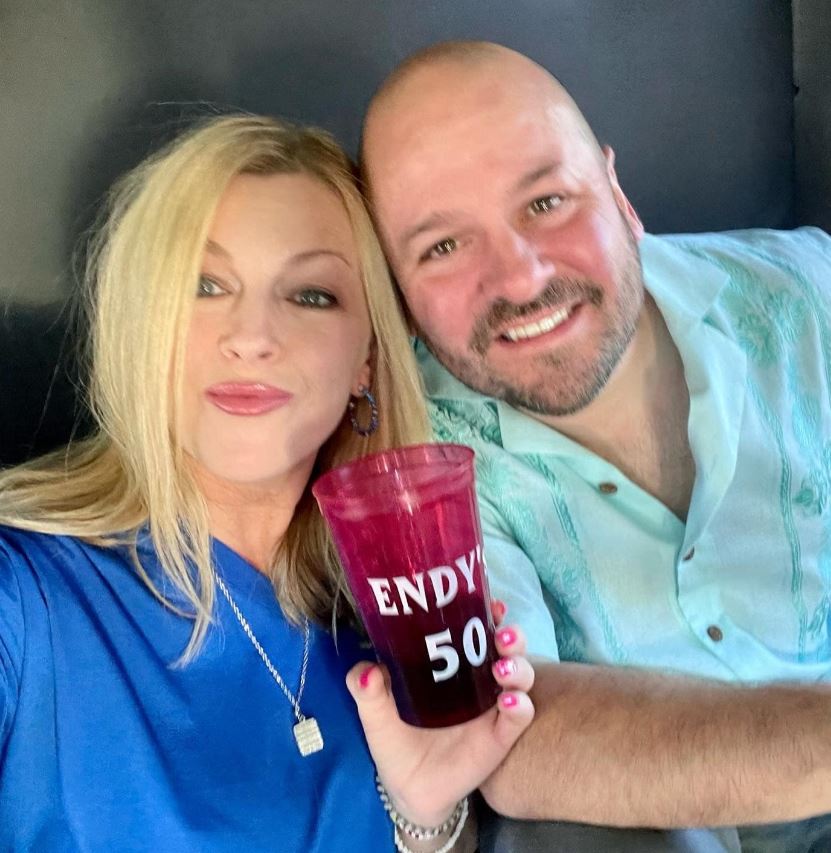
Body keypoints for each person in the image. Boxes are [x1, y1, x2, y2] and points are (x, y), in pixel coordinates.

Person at [0, 114, 536, 852]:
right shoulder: (22, 598)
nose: (251, 336)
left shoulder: (395, 624)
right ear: (142, 326)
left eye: (311, 294)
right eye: (204, 285)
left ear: (366, 360)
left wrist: (427, 818)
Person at [360, 40, 831, 852]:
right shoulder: (413, 461)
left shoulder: (805, 292)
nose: (519, 277)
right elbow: (511, 735)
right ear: (395, 291)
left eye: (546, 202)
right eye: (441, 246)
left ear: (618, 194)